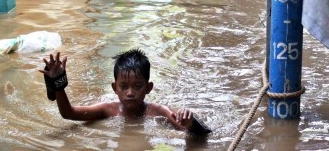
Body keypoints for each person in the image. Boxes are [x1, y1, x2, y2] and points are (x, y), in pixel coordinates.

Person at [39, 49, 211, 135]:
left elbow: (195, 132)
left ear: (148, 88)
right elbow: (69, 114)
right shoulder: (108, 110)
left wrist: (190, 124)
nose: (130, 92)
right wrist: (58, 83)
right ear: (115, 88)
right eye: (124, 86)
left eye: (137, 86)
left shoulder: (158, 111)